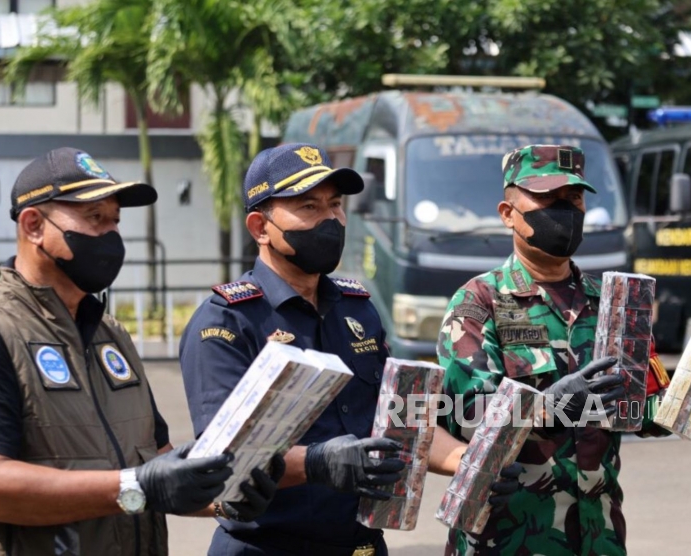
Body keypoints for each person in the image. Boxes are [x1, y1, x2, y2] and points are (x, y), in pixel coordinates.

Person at [0, 147, 283, 556]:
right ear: (33, 225)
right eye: (94, 217)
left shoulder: (109, 334)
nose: (111, 235)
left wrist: (222, 495)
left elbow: (158, 461)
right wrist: (135, 487)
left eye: (115, 220)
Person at [180, 143, 519, 556]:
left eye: (335, 205)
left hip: (362, 546)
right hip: (265, 547)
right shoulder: (227, 323)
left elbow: (402, 423)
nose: (331, 220)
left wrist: (469, 460)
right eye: (308, 207)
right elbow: (221, 460)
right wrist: (319, 462)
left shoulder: (358, 309)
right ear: (259, 227)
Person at [435, 144, 691, 556]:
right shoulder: (481, 302)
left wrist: (686, 400)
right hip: (508, 539)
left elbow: (635, 412)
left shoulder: (616, 302)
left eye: (572, 199)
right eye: (548, 199)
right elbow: (465, 416)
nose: (564, 211)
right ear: (507, 214)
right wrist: (548, 407)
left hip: (599, 535)